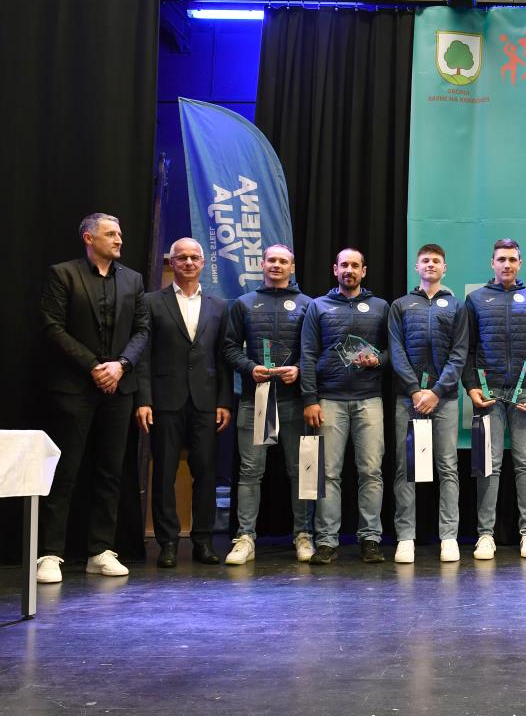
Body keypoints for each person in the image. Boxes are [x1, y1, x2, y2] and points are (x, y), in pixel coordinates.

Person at [36, 213, 150, 583]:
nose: (119, 240)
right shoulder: (63, 274)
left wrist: (120, 365)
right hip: (74, 388)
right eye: (111, 234)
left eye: (120, 233)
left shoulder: (133, 279)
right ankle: (49, 553)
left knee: (110, 471)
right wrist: (94, 367)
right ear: (89, 238)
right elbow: (53, 327)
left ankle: (100, 550)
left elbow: (142, 329)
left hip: (119, 388)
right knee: (65, 471)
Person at [136, 238, 234, 568]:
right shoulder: (151, 302)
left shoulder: (219, 305)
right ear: (172, 262)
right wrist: (144, 399)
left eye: (194, 257)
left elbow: (223, 357)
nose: (189, 262)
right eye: (182, 258)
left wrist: (224, 401)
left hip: (206, 402)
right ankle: (167, 543)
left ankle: (203, 541)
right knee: (163, 473)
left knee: (206, 472)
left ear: (203, 263)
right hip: (165, 401)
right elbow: (144, 356)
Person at [222, 244, 314, 565]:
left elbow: (315, 350)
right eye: (271, 260)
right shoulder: (244, 304)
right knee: (250, 471)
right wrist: (249, 368)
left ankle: (303, 534)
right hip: (256, 400)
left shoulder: (308, 305)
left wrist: (299, 369)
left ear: (292, 267)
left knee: (301, 471)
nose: (276, 265)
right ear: (262, 264)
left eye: (283, 261)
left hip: (295, 402)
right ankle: (245, 537)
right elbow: (230, 347)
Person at [300, 248, 389, 564]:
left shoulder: (380, 307)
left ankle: (371, 539)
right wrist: (310, 399)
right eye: (344, 265)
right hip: (329, 400)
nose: (349, 270)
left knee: (371, 472)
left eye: (355, 265)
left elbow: (393, 351)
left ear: (364, 271)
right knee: (327, 474)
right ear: (334, 269)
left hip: (370, 399)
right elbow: (307, 354)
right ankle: (326, 541)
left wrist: (379, 360)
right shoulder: (318, 306)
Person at [464, 238, 526, 560]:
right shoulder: (476, 299)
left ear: (520, 263)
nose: (507, 265)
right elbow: (468, 349)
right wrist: (471, 387)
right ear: (493, 263)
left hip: (525, 394)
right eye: (502, 259)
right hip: (488, 395)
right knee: (489, 465)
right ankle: (485, 535)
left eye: (512, 259)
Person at [387, 243, 469, 563]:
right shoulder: (401, 305)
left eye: (436, 261)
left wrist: (435, 391)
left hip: (443, 400)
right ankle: (405, 537)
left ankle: (449, 537)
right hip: (407, 399)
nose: (431, 265)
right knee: (406, 468)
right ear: (417, 267)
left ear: (444, 268)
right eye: (425, 261)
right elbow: (396, 351)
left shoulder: (456, 306)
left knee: (448, 467)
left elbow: (459, 353)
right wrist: (414, 390)